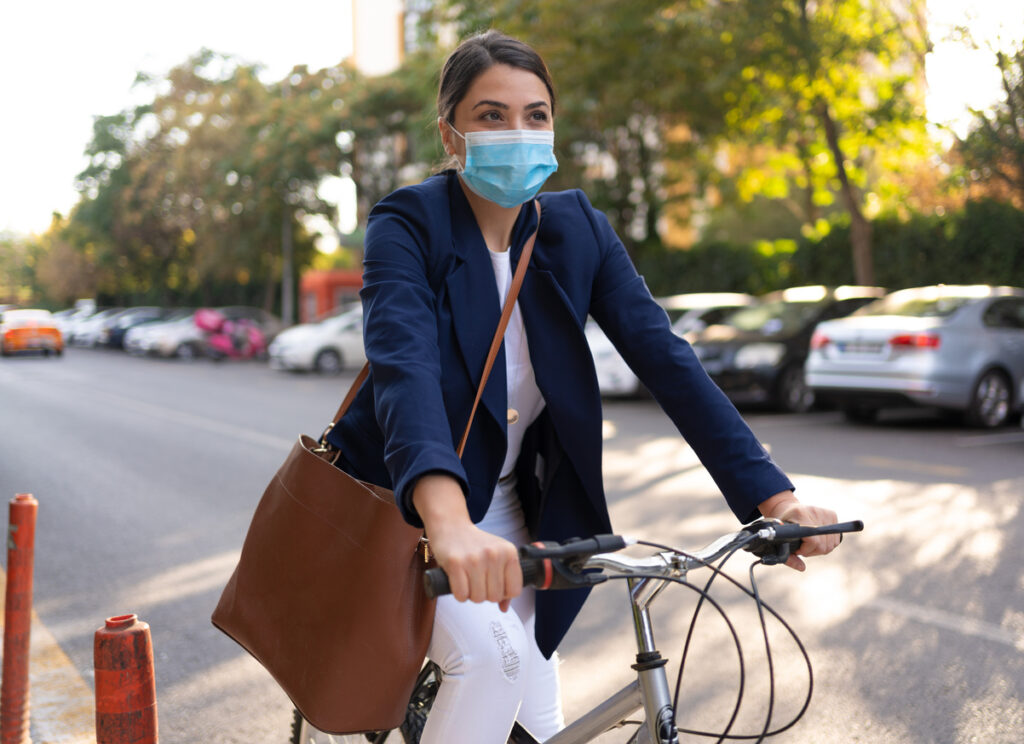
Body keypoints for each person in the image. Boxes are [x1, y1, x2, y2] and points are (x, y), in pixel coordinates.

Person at [325, 29, 841, 744]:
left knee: (539, 722)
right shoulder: (408, 223)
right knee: (492, 667)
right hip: (406, 510)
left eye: (535, 115)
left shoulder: (577, 230)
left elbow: (668, 361)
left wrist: (775, 499)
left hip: (515, 514)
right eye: (492, 115)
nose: (518, 131)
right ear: (450, 133)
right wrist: (446, 524)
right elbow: (403, 368)